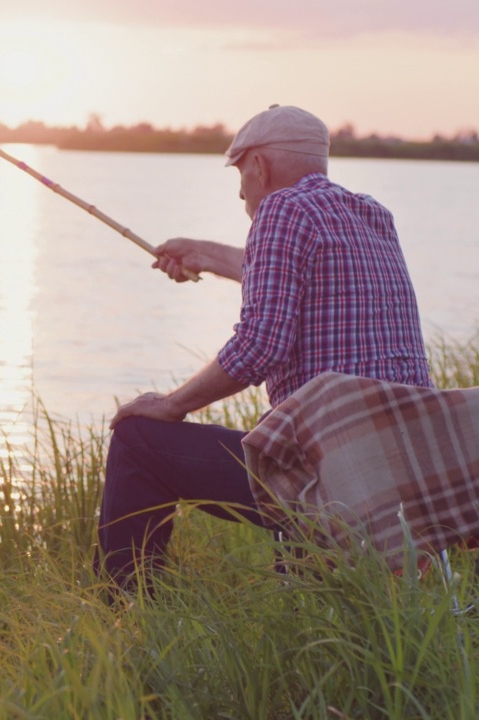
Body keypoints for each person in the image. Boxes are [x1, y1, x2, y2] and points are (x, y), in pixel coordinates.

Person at [95, 104, 433, 592]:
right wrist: (206, 255)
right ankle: (315, 605)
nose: (240, 192)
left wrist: (170, 406)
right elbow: (303, 270)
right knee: (274, 438)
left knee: (137, 441)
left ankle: (122, 612)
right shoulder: (371, 215)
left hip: (327, 479)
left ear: (260, 166)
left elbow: (259, 347)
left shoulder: (281, 209)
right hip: (398, 471)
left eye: (239, 173)